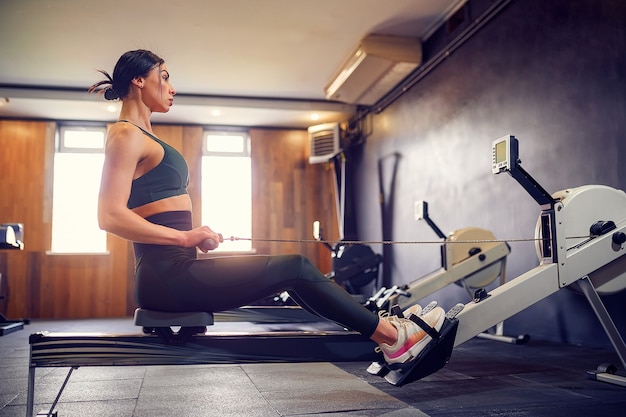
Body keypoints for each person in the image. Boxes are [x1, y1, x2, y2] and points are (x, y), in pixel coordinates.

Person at [89, 49, 445, 367]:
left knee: (295, 272)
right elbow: (110, 216)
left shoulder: (143, 136)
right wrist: (185, 238)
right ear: (139, 79)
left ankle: (385, 331)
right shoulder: (125, 134)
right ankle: (394, 339)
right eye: (163, 77)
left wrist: (195, 236)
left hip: (175, 271)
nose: (172, 87)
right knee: (296, 267)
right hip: (165, 278)